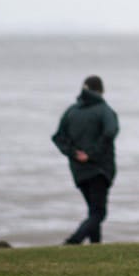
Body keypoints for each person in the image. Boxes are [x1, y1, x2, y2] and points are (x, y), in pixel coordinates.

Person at [51, 74, 118, 245]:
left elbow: (58, 137)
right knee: (99, 212)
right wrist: (92, 154)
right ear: (101, 90)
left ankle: (95, 245)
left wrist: (74, 153)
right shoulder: (104, 110)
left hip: (78, 169)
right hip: (99, 168)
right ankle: (74, 240)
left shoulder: (71, 111)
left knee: (93, 210)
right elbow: (111, 132)